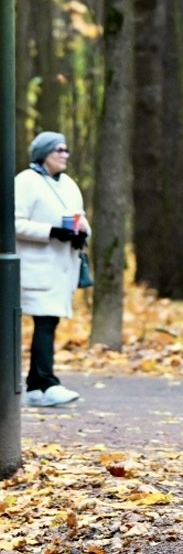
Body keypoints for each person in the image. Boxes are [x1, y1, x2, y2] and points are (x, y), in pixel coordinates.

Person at [14, 131, 91, 407]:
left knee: (49, 322)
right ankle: (46, 383)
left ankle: (36, 386)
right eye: (59, 149)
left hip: (62, 267)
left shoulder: (68, 184)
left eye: (67, 149)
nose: (65, 155)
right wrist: (52, 232)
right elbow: (13, 222)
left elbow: (81, 218)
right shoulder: (26, 181)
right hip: (36, 267)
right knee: (45, 322)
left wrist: (81, 233)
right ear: (44, 153)